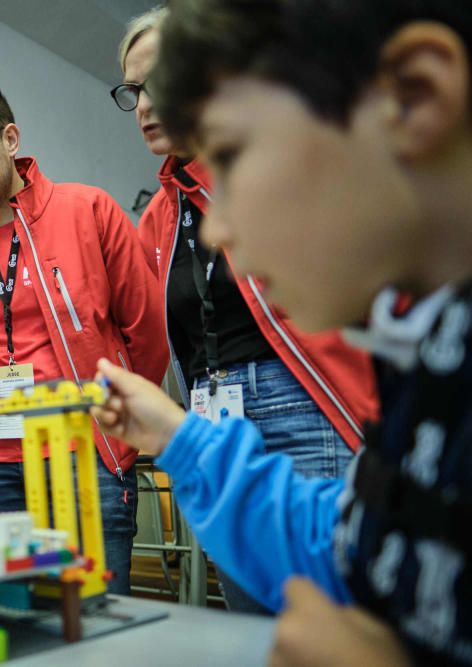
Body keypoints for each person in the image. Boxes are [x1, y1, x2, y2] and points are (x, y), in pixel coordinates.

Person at [94, 0, 472, 663]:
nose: (217, 229)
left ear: (412, 99)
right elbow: (355, 544)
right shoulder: (429, 361)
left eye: (234, 155)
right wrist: (178, 437)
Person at [112, 7, 380, 613]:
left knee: (330, 613)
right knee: (252, 624)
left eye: (162, 81)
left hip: (298, 410)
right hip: (214, 415)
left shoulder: (279, 169)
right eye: (133, 91)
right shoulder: (158, 217)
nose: (146, 105)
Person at [0, 76, 169, 595]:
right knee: (8, 626)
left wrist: (115, 427)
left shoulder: (88, 211)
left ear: (10, 140)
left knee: (98, 624)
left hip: (83, 457)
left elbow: (149, 333)